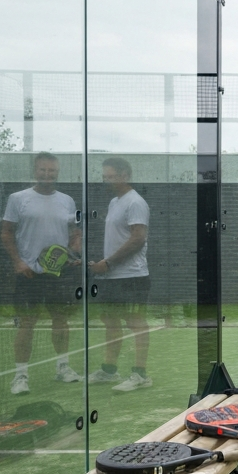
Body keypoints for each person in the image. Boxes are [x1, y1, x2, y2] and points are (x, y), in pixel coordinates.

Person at [1, 152, 82, 394]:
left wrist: (74, 251)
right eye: (43, 170)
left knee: (61, 321)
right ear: (35, 171)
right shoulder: (18, 199)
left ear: (57, 172)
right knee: (27, 324)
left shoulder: (67, 201)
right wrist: (18, 262)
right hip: (28, 274)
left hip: (58, 275)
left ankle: (63, 368)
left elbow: (74, 233)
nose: (47, 174)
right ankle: (21, 376)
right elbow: (6, 232)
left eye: (52, 171)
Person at [87, 157, 152, 392]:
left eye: (111, 176)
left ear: (125, 175)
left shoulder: (135, 202)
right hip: (112, 276)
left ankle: (140, 375)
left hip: (132, 276)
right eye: (105, 176)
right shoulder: (115, 202)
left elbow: (138, 238)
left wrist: (109, 262)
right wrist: (103, 264)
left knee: (135, 322)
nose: (107, 180)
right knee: (111, 322)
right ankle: (109, 370)